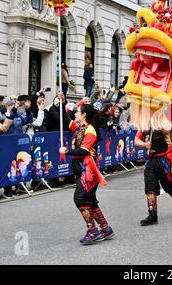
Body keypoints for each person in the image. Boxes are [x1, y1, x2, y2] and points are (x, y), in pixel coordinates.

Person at [59, 102, 114, 245]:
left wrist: (67, 151)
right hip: (80, 168)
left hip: (88, 169)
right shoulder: (77, 128)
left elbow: (84, 151)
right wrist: (60, 102)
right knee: (89, 200)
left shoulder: (90, 130)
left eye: (77, 112)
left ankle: (92, 230)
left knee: (80, 199)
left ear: (84, 115)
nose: (75, 114)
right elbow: (64, 118)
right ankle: (105, 228)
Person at [134, 119, 172, 226]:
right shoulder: (144, 125)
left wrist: (156, 123)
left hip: (164, 160)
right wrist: (144, 144)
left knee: (169, 187)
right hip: (150, 161)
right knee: (150, 188)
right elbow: (136, 140)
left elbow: (167, 129)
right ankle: (152, 215)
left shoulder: (162, 122)